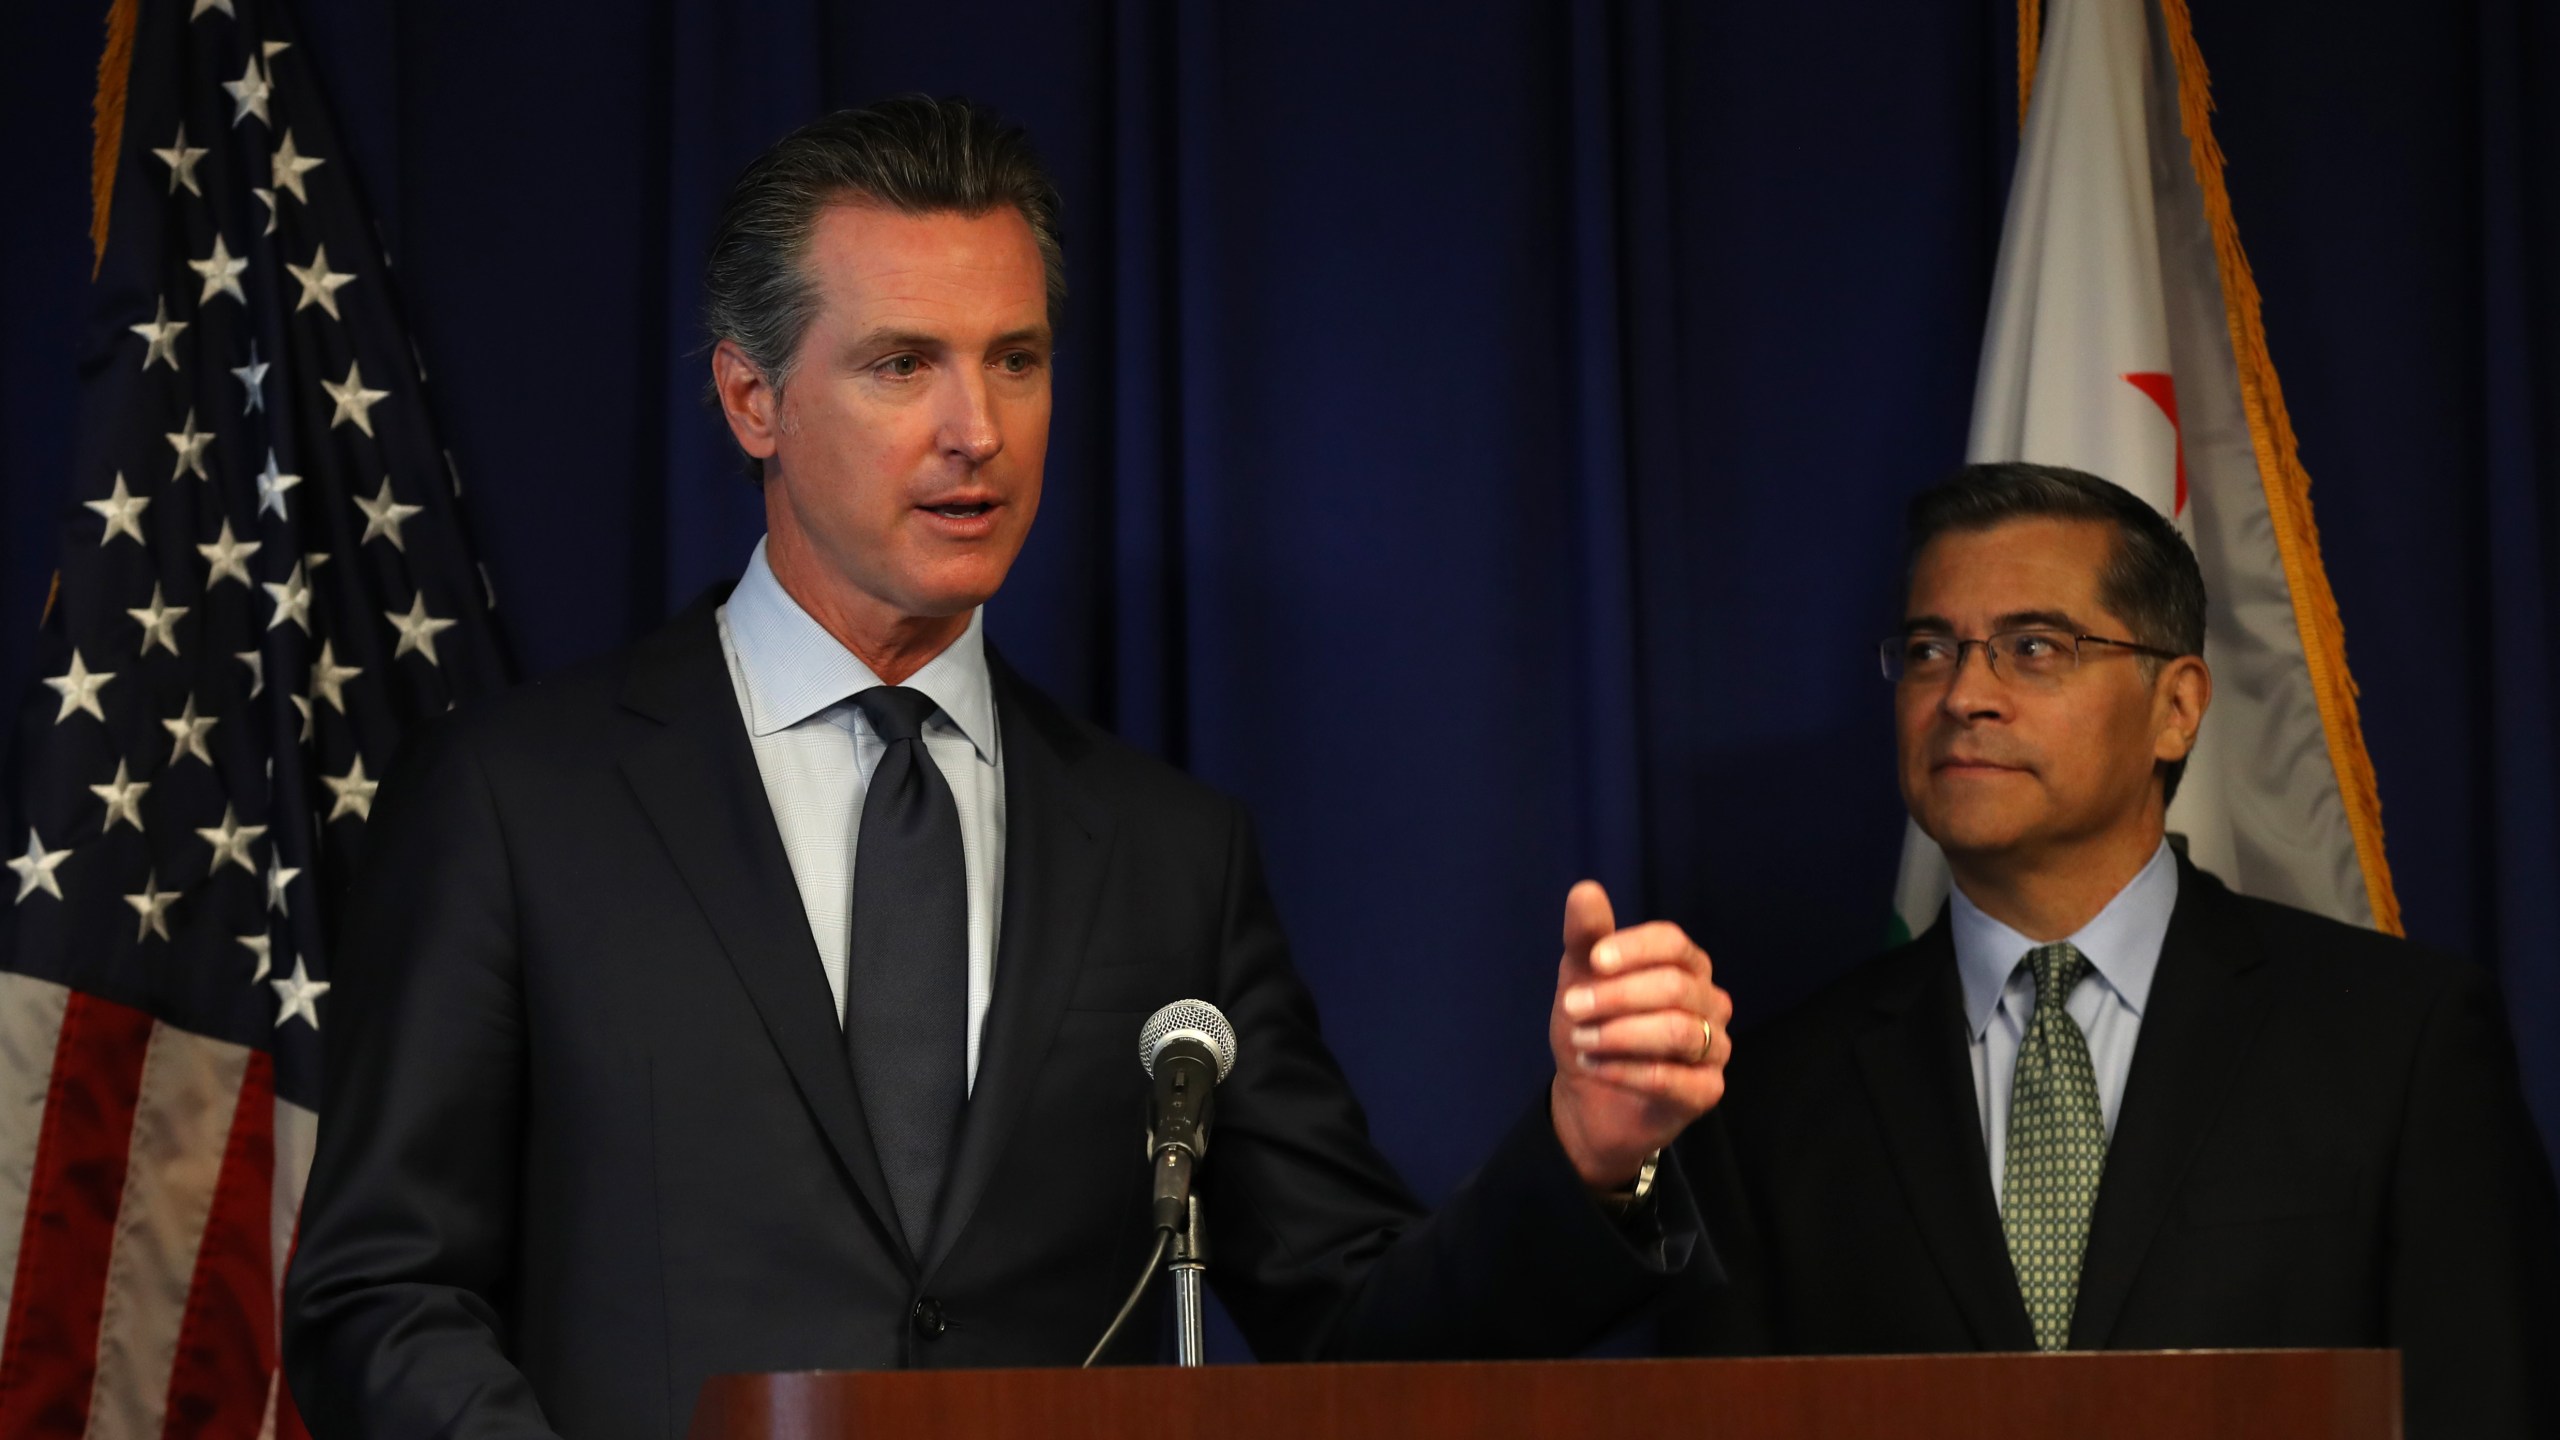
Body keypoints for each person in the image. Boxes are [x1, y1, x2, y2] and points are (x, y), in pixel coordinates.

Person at [283, 97, 1734, 1440]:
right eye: (902, 363)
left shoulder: (1167, 852)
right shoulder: (516, 801)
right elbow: (377, 1297)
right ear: (752, 400)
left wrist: (1585, 1154)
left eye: (1016, 361)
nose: (976, 432)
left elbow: (1349, 1324)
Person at [1664, 463, 2560, 1438]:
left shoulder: (2400, 1041)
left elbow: (2486, 1403)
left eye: (2033, 645)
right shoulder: (1776, 1092)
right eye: (1929, 650)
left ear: (2176, 707)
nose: (1964, 693)